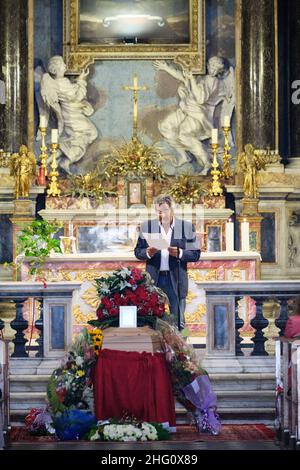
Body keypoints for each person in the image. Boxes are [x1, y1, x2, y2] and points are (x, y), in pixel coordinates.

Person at [153, 57, 234, 174]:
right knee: (165, 126)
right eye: (211, 66)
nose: (212, 70)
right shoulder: (202, 77)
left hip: (197, 115)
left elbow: (200, 99)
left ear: (219, 71)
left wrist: (191, 80)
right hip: (185, 109)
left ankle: (207, 163)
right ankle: (184, 155)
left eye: (216, 68)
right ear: (207, 65)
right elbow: (182, 76)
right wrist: (166, 67)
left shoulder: (212, 81)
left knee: (184, 135)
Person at [134, 194, 200, 329]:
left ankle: (183, 347)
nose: (162, 215)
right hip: (154, 279)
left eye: (165, 211)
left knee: (179, 320)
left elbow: (195, 254)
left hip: (175, 279)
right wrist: (148, 252)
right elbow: (137, 252)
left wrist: (180, 253)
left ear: (171, 210)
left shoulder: (186, 227)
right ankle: (157, 347)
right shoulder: (147, 227)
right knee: (152, 319)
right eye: (158, 211)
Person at [40, 55, 98, 173]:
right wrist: (82, 80)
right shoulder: (61, 83)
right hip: (72, 115)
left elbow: (73, 94)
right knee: (90, 133)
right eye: (62, 64)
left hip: (73, 113)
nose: (65, 66)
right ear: (56, 69)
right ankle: (60, 160)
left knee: (81, 138)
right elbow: (76, 96)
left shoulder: (61, 82)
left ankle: (55, 160)